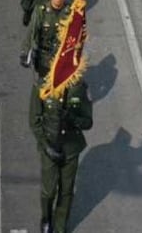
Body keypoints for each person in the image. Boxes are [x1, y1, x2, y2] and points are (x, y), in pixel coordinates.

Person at [29, 76, 92, 233]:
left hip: (71, 148)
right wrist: (46, 146)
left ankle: (60, 227)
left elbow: (88, 122)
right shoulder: (41, 87)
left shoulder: (79, 88)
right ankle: (46, 218)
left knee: (66, 190)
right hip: (50, 146)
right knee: (49, 190)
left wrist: (72, 118)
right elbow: (34, 121)